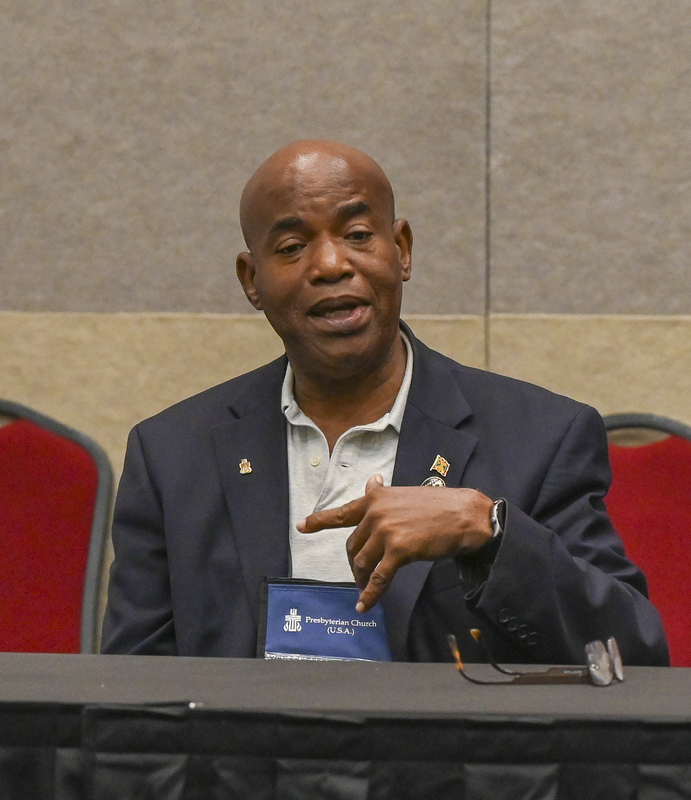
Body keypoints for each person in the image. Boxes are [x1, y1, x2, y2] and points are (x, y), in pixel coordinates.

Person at [102, 140, 668, 665]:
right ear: (252, 280)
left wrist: (490, 532)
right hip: (248, 771)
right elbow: (131, 703)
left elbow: (630, 655)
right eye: (293, 247)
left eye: (357, 235)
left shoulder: (542, 437)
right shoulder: (172, 456)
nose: (330, 265)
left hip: (437, 771)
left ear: (400, 250)